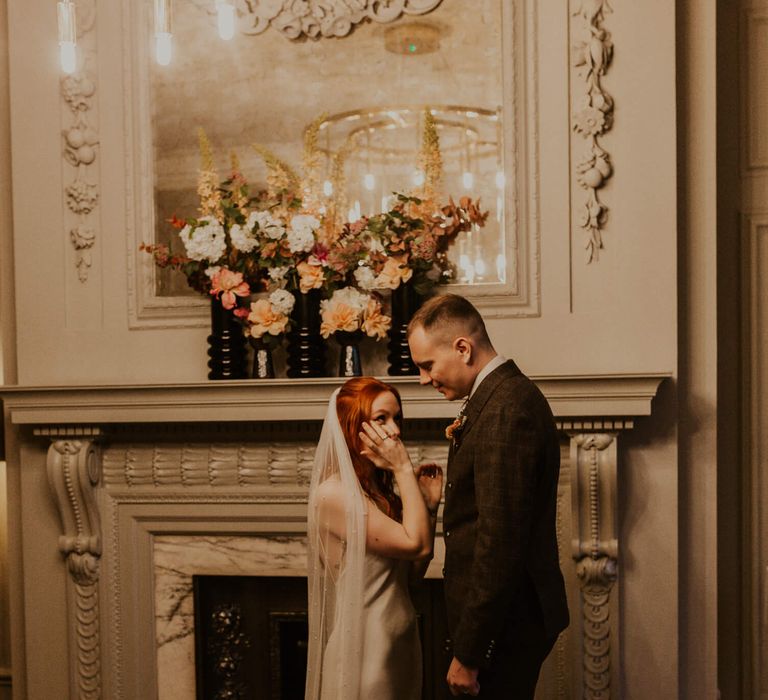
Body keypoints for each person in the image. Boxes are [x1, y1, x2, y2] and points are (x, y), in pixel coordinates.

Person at [407, 294, 569, 698]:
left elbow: (500, 541)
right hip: (503, 623)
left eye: (427, 365)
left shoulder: (507, 409)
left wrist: (470, 653)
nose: (423, 379)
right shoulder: (496, 399)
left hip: (507, 626)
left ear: (463, 348)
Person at [305, 377, 444, 700]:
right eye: (381, 419)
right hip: (365, 649)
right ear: (352, 426)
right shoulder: (333, 495)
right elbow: (417, 545)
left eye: (397, 418)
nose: (394, 431)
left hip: (401, 644)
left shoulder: (377, 494)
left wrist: (429, 509)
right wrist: (403, 469)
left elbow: (412, 576)